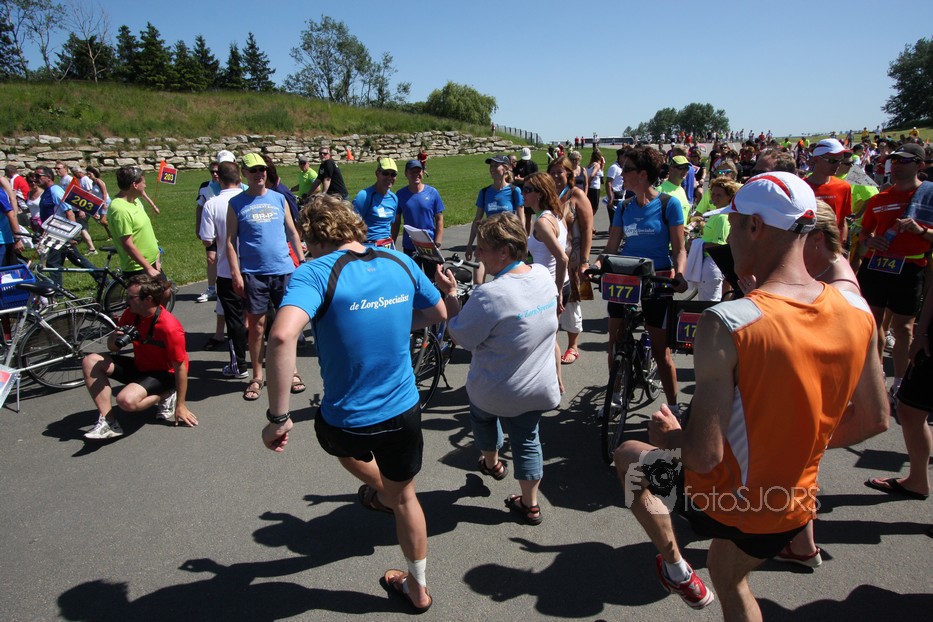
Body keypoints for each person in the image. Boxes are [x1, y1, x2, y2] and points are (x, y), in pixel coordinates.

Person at [615, 171, 888, 619]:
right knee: (728, 575)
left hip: (726, 502)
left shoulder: (728, 322)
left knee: (629, 455)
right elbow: (874, 419)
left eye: (734, 225)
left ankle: (675, 565)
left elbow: (703, 456)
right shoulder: (857, 308)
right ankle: (688, 574)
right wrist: (794, 447)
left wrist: (670, 436)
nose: (728, 239)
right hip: (793, 507)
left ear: (756, 226)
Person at [261, 194, 444, 613]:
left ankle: (382, 490)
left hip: (348, 419)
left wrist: (279, 417)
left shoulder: (314, 272)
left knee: (339, 444)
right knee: (406, 497)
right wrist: (393, 321)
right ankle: (418, 590)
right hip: (404, 410)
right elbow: (437, 312)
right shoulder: (399, 260)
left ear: (312, 237)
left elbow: (282, 335)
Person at [438, 212, 560, 526]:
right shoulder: (543, 276)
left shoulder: (490, 294)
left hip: (496, 389)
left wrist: (450, 296)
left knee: (482, 416)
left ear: (503, 251)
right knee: (528, 439)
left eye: (482, 249)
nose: (478, 255)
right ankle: (531, 504)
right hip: (537, 386)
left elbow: (461, 336)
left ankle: (492, 463)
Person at [597, 146, 687, 410]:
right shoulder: (624, 207)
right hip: (625, 277)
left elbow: (679, 249)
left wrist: (680, 274)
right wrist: (595, 265)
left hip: (658, 279)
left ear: (643, 174)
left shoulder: (668, 205)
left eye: (627, 169)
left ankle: (674, 408)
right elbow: (611, 248)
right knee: (615, 341)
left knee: (661, 350)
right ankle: (615, 395)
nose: (621, 174)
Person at [856, 143, 933, 406]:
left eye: (904, 161)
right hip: (876, 265)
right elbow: (864, 233)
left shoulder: (928, 195)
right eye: (894, 160)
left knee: (904, 328)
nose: (896, 165)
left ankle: (900, 382)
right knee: (873, 323)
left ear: (920, 165)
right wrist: (870, 241)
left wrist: (920, 231)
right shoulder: (880, 198)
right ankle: (876, 377)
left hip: (911, 267)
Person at [225, 153, 305, 402]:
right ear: (244, 173)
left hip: (283, 270)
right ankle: (257, 376)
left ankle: (292, 371)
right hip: (254, 274)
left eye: (262, 169)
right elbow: (230, 241)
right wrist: (236, 273)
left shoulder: (279, 198)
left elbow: (292, 232)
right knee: (257, 327)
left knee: (287, 326)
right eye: (253, 170)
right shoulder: (236, 203)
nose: (259, 174)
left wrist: (302, 262)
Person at [81, 274, 197, 440]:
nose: (126, 301)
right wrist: (115, 337)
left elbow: (181, 367)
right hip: (141, 366)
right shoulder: (131, 314)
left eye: (131, 297)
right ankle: (108, 422)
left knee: (125, 401)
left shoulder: (170, 327)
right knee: (90, 361)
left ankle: (166, 394)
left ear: (148, 299)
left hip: (165, 374)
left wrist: (181, 405)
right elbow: (112, 347)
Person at [199, 161, 248, 379]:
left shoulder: (212, 203)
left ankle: (239, 365)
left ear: (219, 179)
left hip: (227, 270)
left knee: (234, 320)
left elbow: (207, 238)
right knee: (262, 316)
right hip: (254, 267)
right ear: (240, 177)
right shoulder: (250, 199)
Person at [522, 172, 569, 391]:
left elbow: (562, 257)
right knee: (550, 338)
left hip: (549, 288)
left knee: (546, 340)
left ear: (540, 194)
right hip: (556, 284)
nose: (523, 194)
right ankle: (556, 383)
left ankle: (553, 384)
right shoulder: (554, 214)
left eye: (527, 190)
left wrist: (557, 292)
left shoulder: (542, 222)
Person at [548, 156, 593, 366]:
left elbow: (587, 229)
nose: (556, 176)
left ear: (569, 173)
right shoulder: (549, 196)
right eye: (552, 172)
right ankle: (551, 346)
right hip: (552, 258)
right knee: (552, 300)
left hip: (573, 258)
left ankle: (573, 346)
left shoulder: (576, 195)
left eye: (560, 172)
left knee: (572, 301)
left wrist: (584, 261)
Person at [35, 165, 98, 287]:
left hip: (60, 233)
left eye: (38, 176)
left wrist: (71, 236)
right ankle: (103, 278)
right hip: (54, 232)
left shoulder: (55, 191)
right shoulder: (46, 192)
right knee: (77, 260)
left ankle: (57, 290)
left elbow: (69, 212)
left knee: (53, 263)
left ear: (48, 177)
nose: (35, 179)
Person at [465, 155, 525, 261]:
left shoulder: (514, 191)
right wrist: (470, 244)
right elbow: (477, 220)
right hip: (488, 240)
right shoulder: (484, 192)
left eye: (496, 166)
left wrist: (523, 242)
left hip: (508, 240)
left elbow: (521, 219)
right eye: (491, 166)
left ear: (506, 168)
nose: (492, 169)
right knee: (478, 268)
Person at [391, 159, 445, 274]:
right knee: (413, 278)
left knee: (433, 278)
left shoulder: (432, 193)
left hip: (429, 245)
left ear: (423, 173)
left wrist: (438, 242)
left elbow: (439, 219)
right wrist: (392, 243)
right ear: (406, 174)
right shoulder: (400, 194)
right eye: (412, 172)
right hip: (410, 245)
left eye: (419, 171)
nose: (416, 174)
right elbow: (396, 222)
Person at [108, 166, 162, 279]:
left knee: (168, 289)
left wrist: (156, 256)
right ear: (135, 185)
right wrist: (148, 268)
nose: (145, 186)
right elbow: (128, 244)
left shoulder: (135, 201)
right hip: (139, 269)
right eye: (144, 183)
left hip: (152, 262)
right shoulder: (120, 210)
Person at [805, 139, 853, 244]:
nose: (837, 165)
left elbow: (842, 221)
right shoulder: (801, 187)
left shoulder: (844, 187)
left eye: (840, 161)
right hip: (806, 246)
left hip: (832, 247)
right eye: (832, 161)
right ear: (816, 159)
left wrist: (842, 246)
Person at [352, 157, 399, 247]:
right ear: (377, 173)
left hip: (387, 246)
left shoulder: (394, 198)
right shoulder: (364, 196)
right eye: (386, 173)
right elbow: (352, 225)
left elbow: (390, 224)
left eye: (393, 174)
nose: (390, 177)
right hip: (369, 246)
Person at [84, 166, 112, 240]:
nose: (88, 175)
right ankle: (111, 235)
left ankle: (115, 229)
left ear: (94, 173)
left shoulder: (99, 181)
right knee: (102, 221)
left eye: (90, 174)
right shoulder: (92, 183)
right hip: (99, 203)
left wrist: (104, 203)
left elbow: (104, 193)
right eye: (87, 174)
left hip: (105, 202)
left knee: (103, 221)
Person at [586, 149, 605, 223]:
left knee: (589, 206)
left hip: (589, 188)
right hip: (594, 188)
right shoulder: (596, 165)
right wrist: (589, 182)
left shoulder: (589, 165)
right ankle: (589, 221)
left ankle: (589, 222)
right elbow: (593, 174)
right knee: (594, 207)